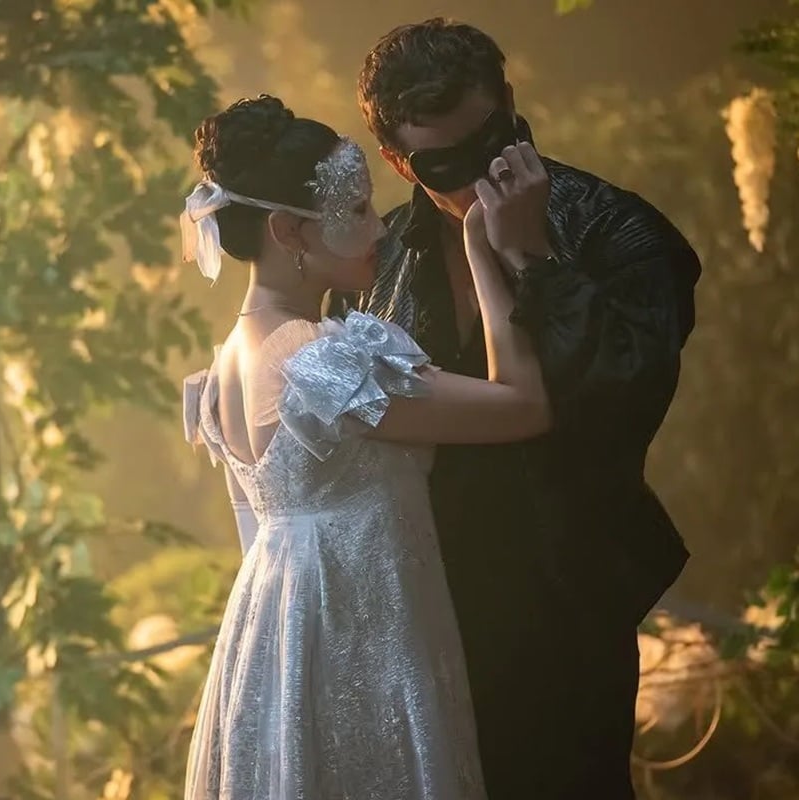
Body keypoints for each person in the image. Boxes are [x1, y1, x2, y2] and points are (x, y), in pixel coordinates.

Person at [343, 17, 702, 800]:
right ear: (397, 160)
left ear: (510, 105)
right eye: (445, 163)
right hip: (427, 598)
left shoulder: (618, 231)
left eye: (492, 142)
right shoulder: (377, 259)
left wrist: (533, 258)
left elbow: (626, 394)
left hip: (565, 591)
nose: (479, 177)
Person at [179, 93, 550, 799]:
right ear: (288, 231)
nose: (379, 226)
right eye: (353, 210)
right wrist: (486, 247)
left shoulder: (227, 364)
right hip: (361, 637)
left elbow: (254, 534)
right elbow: (523, 406)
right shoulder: (321, 361)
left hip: (277, 641)